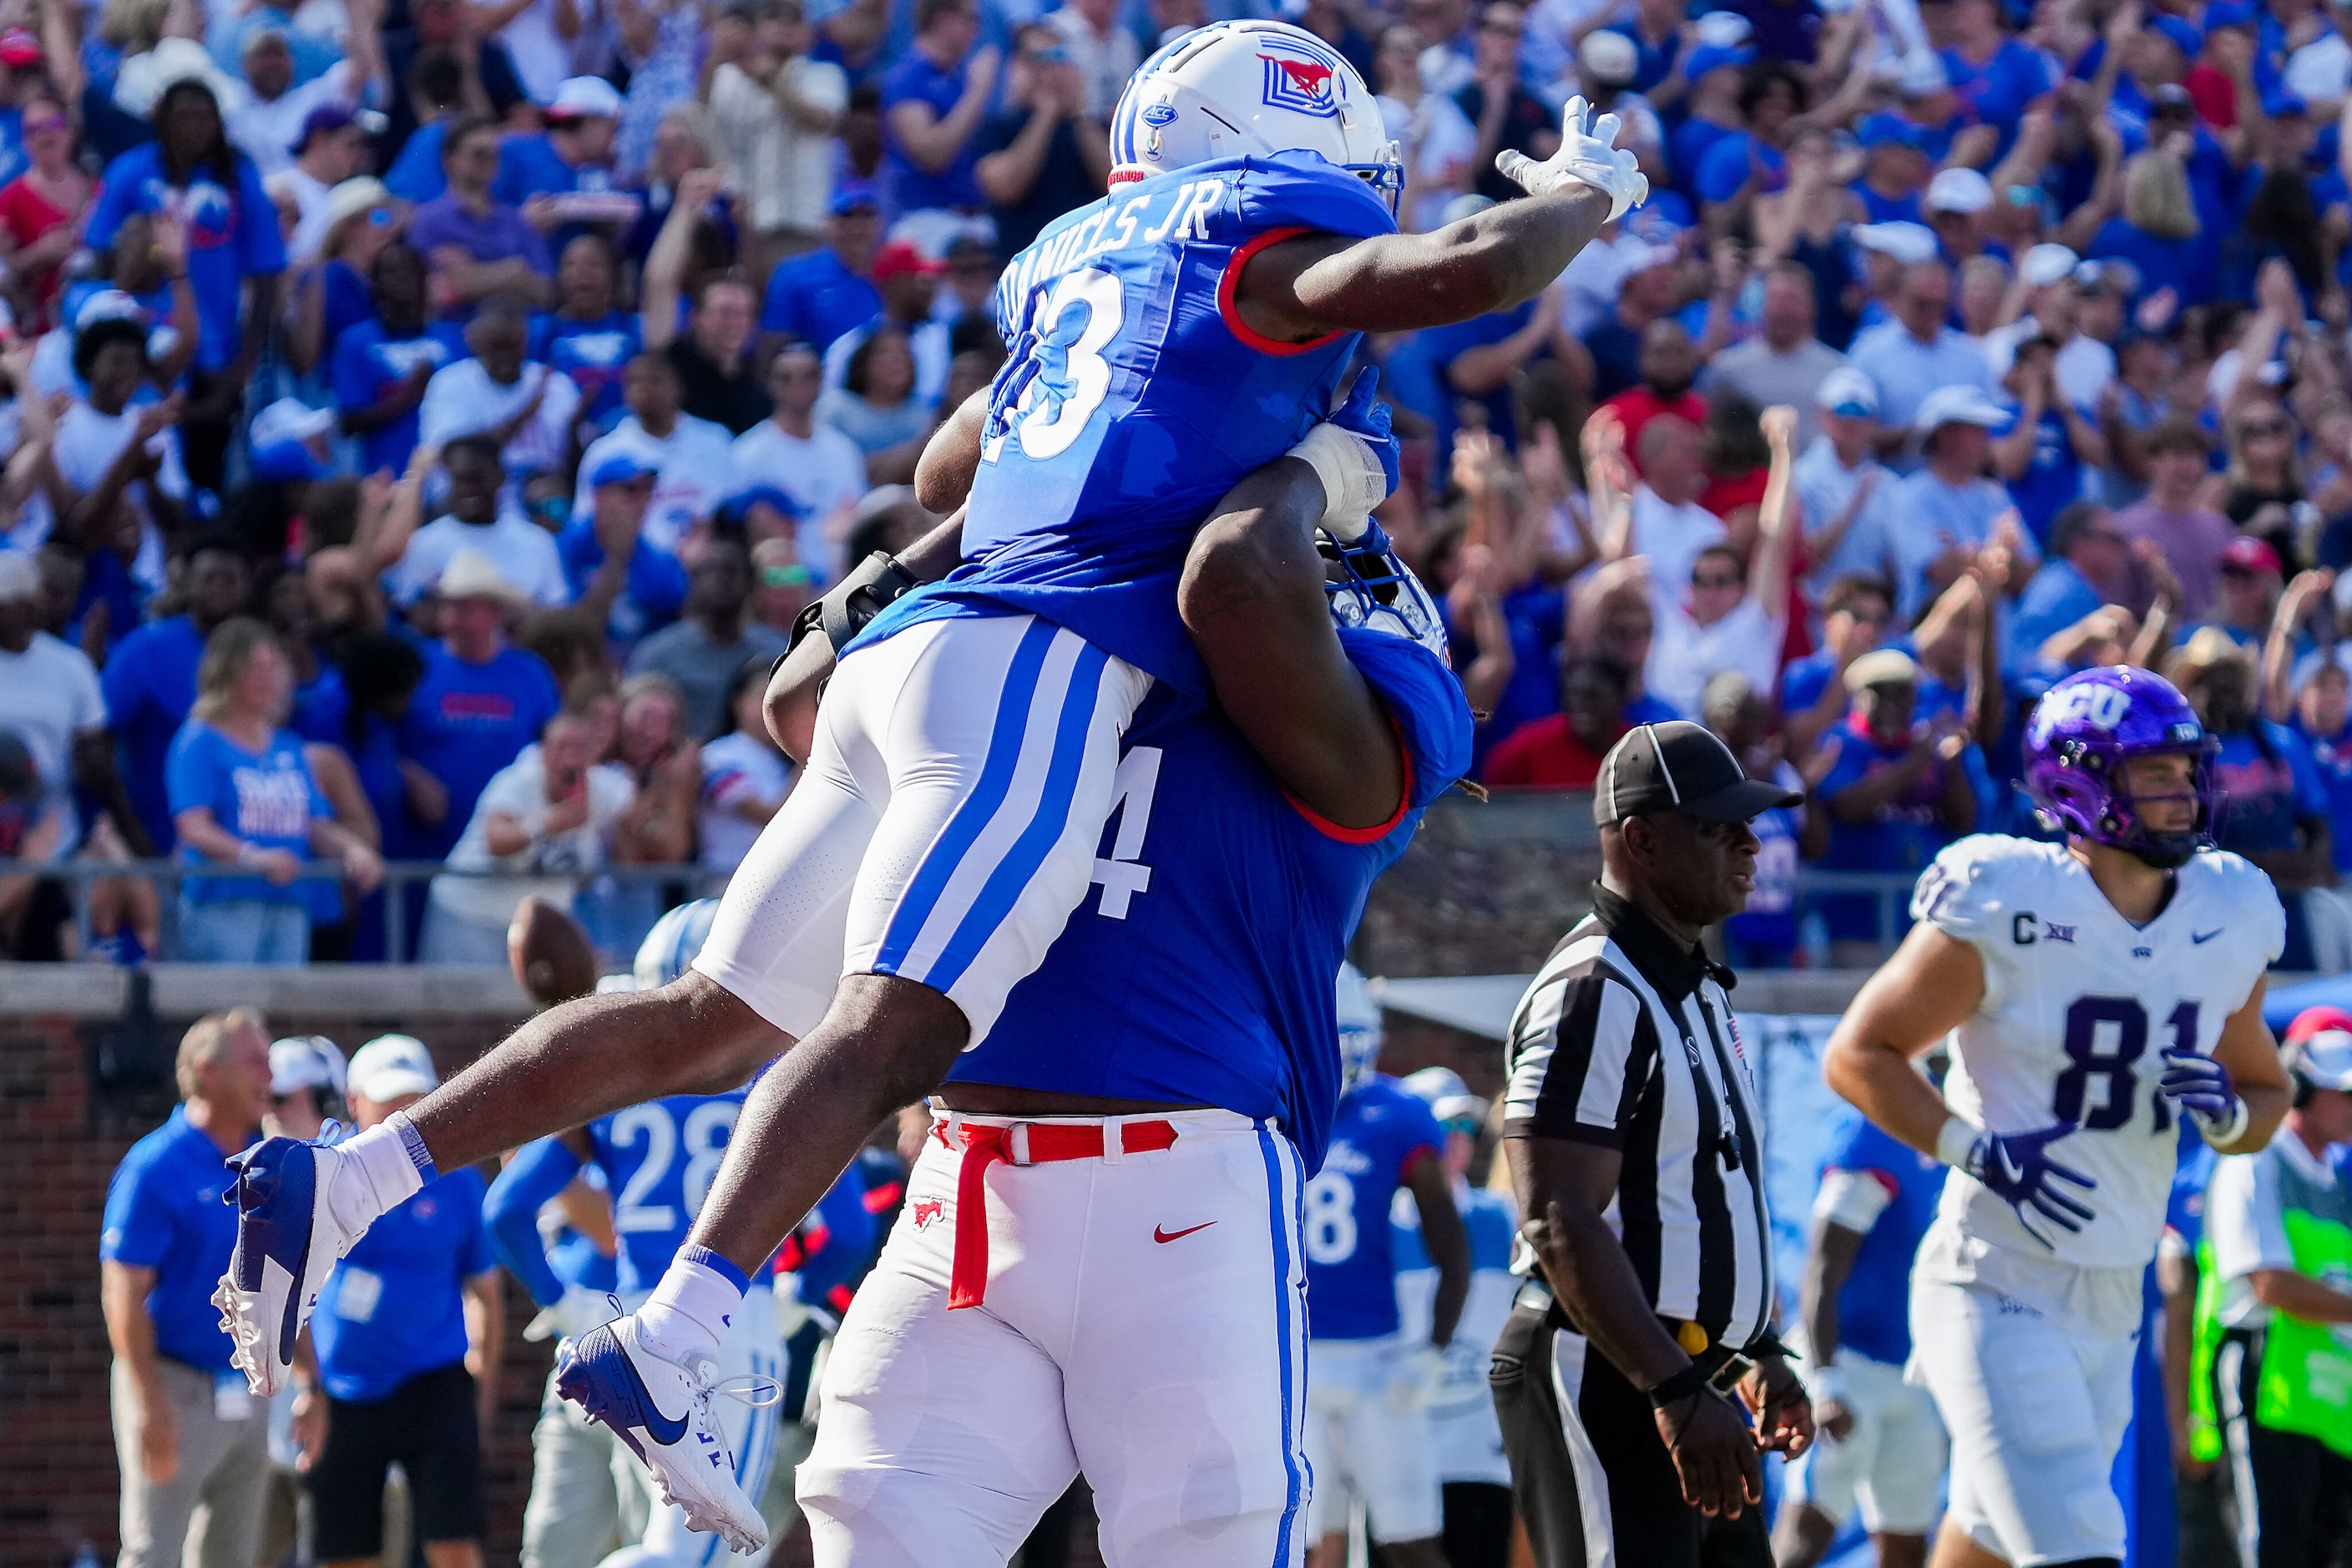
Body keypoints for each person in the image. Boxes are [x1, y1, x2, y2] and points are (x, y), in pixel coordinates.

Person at [220, 25, 1633, 1521]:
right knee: (892, 1022)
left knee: (711, 1010)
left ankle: (359, 1173)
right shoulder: (1267, 277)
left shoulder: (1076, 258)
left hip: (918, 646)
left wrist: (963, 541)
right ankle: (682, 1330)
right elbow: (1464, 271)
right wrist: (1579, 202)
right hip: (1034, 669)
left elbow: (959, 467)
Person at [220, 442, 1466, 1565]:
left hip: (1182, 1194)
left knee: (1205, 1540)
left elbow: (1232, 577)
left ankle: (494, 1241)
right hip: (973, 1196)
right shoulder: (1072, 641)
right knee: (878, 1533)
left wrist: (1234, 453)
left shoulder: (1324, 732)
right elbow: (811, 693)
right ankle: (385, 1186)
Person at [1823, 665, 2294, 1568]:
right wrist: (1977, 1150)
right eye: (2154, 773)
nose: (2183, 792)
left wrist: (2230, 1119)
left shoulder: (2227, 910)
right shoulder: (2010, 900)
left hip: (2112, 1290)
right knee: (2079, 1543)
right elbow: (1859, 1054)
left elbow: (2265, 1097)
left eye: (2186, 770)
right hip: (1996, 1277)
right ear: (2084, 782)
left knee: (1990, 1540)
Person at [1491, 721, 1813, 1568]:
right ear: (1640, 838)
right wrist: (1670, 1386)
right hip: (1611, 1370)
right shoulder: (1598, 988)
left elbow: (1695, 1196)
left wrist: (1760, 1347)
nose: (1751, 842)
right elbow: (1557, 1213)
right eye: (1719, 827)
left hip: (1684, 1374)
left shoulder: (1693, 984)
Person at [484, 899, 785, 1568]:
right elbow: (847, 1226)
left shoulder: (620, 1083)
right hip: (729, 1321)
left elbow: (506, 1208)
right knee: (707, 1557)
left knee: (658, 1545)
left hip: (626, 1325)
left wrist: (563, 1303)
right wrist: (801, 1290)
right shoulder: (774, 1075)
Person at [103, 1009, 295, 1568]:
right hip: (173, 1384)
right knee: (153, 1553)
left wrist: (307, 1377)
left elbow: (285, 1275)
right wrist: (148, 1405)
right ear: (208, 1072)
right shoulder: (156, 1166)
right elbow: (122, 1293)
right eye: (256, 1061)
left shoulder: (268, 1162)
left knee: (233, 1557)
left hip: (249, 1385)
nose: (270, 1075)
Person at [303, 1036, 501, 1568]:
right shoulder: (321, 1177)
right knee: (347, 1552)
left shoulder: (458, 1179)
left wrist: (480, 1387)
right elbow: (290, 1287)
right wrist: (307, 1383)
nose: (402, 1114)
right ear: (354, 1102)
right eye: (389, 1100)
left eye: (414, 1099)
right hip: (342, 1388)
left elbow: (484, 1289)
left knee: (454, 1545)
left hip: (434, 1381)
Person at [1300, 967, 1470, 1568]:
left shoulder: (1397, 1114)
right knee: (1294, 1543)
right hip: (1293, 1359)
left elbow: (1452, 1248)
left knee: (1411, 1537)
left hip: (1378, 1355)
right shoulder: (1274, 1104)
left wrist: (1433, 1349)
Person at [2194, 1024, 2352, 1568]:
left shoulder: (2338, 1176)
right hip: (2262, 1378)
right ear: (2300, 1091)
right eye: (2345, 1093)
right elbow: (2269, 1283)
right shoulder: (2253, 1159)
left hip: (2324, 1396)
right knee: (2272, 1549)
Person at [83, 77, 288, 491]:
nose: (194, 128)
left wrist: (245, 362)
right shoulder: (131, 170)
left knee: (204, 468)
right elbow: (100, 250)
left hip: (216, 352)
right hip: (145, 347)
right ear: (161, 122)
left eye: (204, 117)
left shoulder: (238, 177)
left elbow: (268, 273)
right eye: (183, 118)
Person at [1772, 1110, 1949, 1568]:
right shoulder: (1870, 1136)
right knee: (1808, 1532)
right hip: (1848, 1363)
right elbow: (1822, 1269)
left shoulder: (1945, 1134)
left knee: (1908, 1546)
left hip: (1911, 1372)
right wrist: (1825, 1380)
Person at [169, 618, 383, 963]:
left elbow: (313, 824)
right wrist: (253, 858)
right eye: (256, 668)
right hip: (224, 903)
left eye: (273, 667)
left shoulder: (288, 746)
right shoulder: (199, 740)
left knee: (281, 1013)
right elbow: (193, 827)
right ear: (228, 672)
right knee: (232, 1011)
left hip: (289, 900)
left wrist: (353, 850)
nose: (269, 679)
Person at [1389, 1067, 1519, 1568]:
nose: (1457, 1142)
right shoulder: (1378, 1227)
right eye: (1444, 1129)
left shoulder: (1502, 1219)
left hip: (1481, 1458)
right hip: (1397, 1456)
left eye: (1466, 1129)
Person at [395, 549, 564, 864]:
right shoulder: (415, 666)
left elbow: (550, 745)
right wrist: (408, 775)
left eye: (466, 608)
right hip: (426, 845)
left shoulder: (530, 674)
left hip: (507, 849)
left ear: (495, 613)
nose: (453, 618)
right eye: (449, 605)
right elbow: (381, 739)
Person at [102, 536, 250, 854]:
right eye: (210, 579)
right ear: (188, 587)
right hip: (157, 827)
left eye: (231, 580)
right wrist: (127, 825)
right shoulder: (143, 649)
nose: (220, 588)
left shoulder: (261, 652)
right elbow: (102, 737)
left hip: (247, 837)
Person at [702, 0, 847, 272]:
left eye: (794, 18)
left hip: (803, 224)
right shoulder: (729, 77)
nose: (784, 25)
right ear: (756, 28)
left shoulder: (825, 75)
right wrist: (717, 56)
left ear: (809, 32)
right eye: (773, 16)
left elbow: (822, 120)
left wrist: (774, 82)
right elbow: (702, 122)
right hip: (743, 222)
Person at [572, 352, 739, 558]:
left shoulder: (715, 440)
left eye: (654, 380)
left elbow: (735, 512)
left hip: (707, 563)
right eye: (634, 382)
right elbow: (585, 522)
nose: (644, 389)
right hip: (633, 566)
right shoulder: (604, 452)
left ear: (678, 387)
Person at [626, 538, 792, 738]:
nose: (719, 580)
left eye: (729, 572)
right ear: (693, 582)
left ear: (750, 583)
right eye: (709, 572)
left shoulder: (777, 650)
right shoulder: (657, 653)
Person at [731, 340, 867, 578]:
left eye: (809, 376)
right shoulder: (747, 453)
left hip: (839, 582)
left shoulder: (845, 451)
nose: (798, 385)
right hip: (777, 582)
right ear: (770, 384)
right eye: (786, 378)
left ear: (821, 381)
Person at [974, 24, 1110, 258]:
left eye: (1058, 58)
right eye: (1039, 60)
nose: (1049, 72)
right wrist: (1046, 114)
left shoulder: (1088, 127)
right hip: (1024, 264)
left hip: (1086, 261)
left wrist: (1077, 114)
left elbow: (1116, 180)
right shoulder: (999, 127)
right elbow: (1005, 187)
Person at [332, 240, 465, 478]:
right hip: (387, 476)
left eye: (409, 270)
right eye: (391, 271)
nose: (402, 278)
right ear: (376, 283)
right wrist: (407, 395)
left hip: (446, 476)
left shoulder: (451, 337)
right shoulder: (355, 342)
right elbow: (348, 422)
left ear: (422, 278)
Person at [387, 437, 570, 608]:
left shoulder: (537, 542)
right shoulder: (423, 544)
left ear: (501, 477)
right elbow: (409, 611)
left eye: (477, 479)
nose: (469, 490)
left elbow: (554, 610)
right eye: (460, 480)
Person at [416, 302, 582, 483]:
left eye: (512, 346)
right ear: (476, 343)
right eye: (496, 346)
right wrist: (526, 413)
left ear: (525, 340)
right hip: (472, 503)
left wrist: (576, 429)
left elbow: (571, 465)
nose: (505, 355)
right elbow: (450, 452)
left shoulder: (558, 385)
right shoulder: (449, 383)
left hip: (542, 503)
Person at [408, 116, 554, 320]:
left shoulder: (516, 220)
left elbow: (547, 292)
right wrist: (514, 273)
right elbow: (436, 291)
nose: (488, 162)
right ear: (450, 160)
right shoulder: (427, 221)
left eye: (494, 155)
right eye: (478, 154)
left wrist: (477, 275)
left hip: (518, 337)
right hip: (456, 337)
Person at [1700, 265, 1846, 449]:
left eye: (1792, 301)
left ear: (1812, 307)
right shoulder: (1727, 369)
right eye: (1776, 300)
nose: (1783, 310)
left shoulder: (1837, 371)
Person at [878, 0, 995, 225]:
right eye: (971, 20)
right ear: (944, 20)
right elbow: (930, 155)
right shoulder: (909, 75)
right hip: (924, 219)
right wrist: (977, 94)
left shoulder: (957, 77)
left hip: (970, 216)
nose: (977, 31)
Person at [756, 184, 881, 357]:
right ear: (828, 223)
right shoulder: (793, 274)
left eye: (866, 217)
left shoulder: (891, 277)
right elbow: (775, 341)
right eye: (847, 217)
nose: (857, 228)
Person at [698, 658, 795, 871]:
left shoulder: (780, 761)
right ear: (737, 701)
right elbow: (771, 818)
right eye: (761, 696)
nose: (771, 706)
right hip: (725, 880)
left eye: (781, 698)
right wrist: (811, 760)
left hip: (778, 877)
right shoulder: (716, 757)